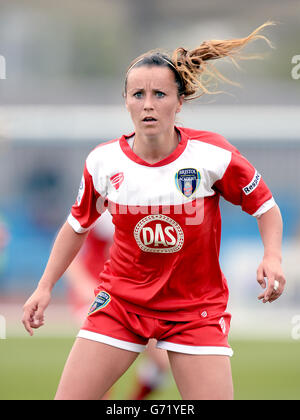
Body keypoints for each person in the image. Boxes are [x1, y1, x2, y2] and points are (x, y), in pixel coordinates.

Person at [22, 21, 286, 400]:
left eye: (160, 94)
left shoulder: (213, 156)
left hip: (195, 310)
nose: (147, 104)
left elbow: (266, 206)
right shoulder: (103, 161)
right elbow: (76, 225)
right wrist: (44, 287)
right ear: (126, 101)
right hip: (121, 304)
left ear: (179, 102)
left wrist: (273, 257)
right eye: (137, 94)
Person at [64, 211, 170, 399]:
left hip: (135, 293)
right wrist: (82, 283)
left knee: (163, 361)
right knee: (99, 368)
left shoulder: (153, 200)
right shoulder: (103, 199)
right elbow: (68, 240)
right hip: (99, 293)